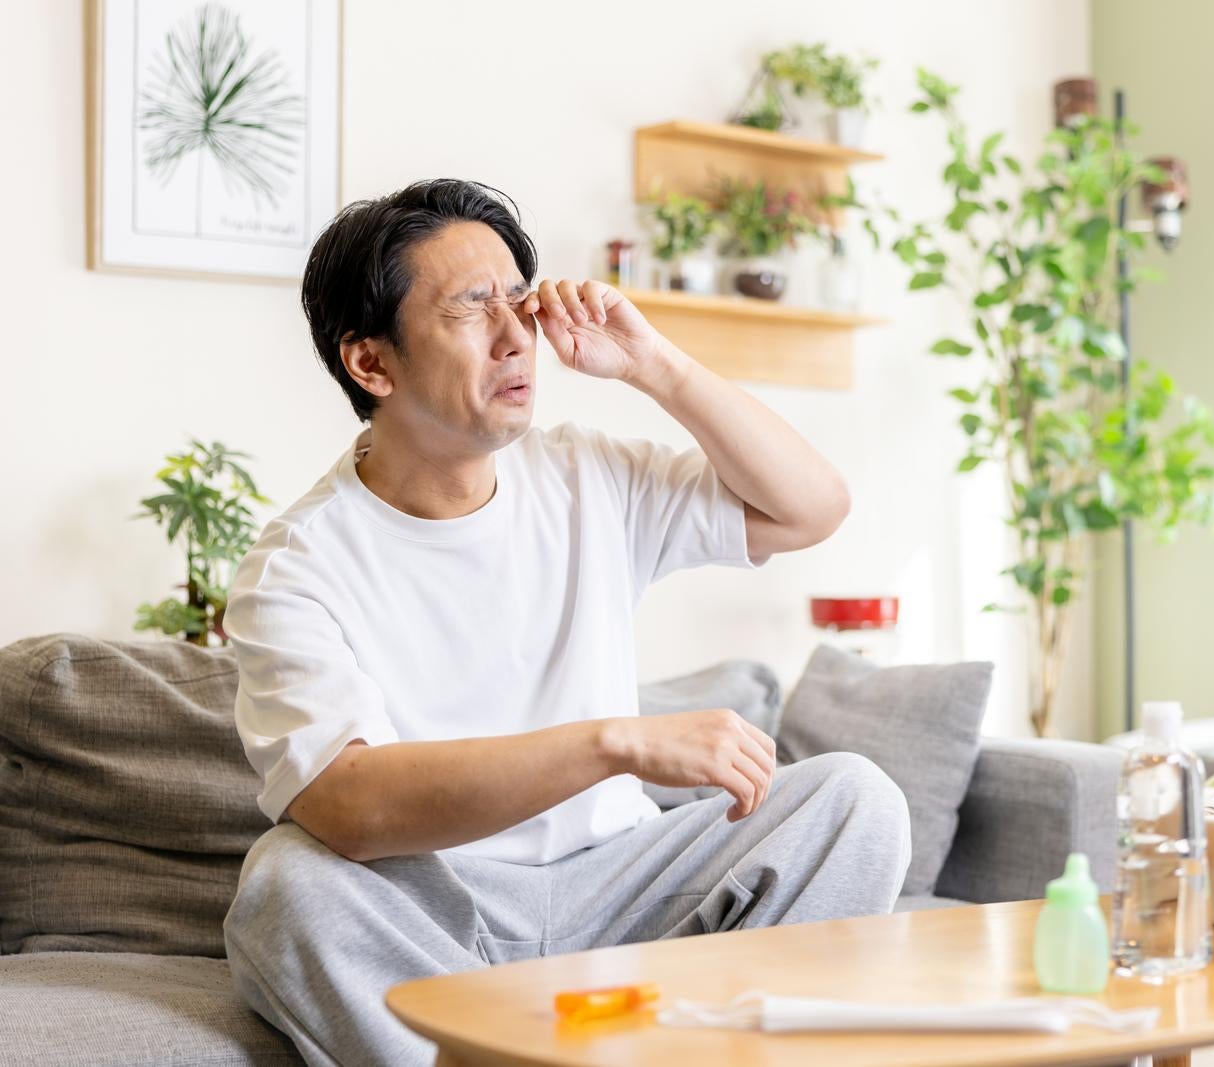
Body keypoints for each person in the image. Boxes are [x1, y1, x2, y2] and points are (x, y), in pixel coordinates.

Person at [220, 178, 912, 1067]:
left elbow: (810, 507)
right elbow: (349, 804)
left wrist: (655, 363)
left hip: (625, 896)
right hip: (442, 911)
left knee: (854, 798)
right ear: (372, 363)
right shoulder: (297, 565)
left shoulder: (588, 476)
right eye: (474, 308)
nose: (518, 337)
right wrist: (614, 743)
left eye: (519, 299)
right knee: (286, 884)